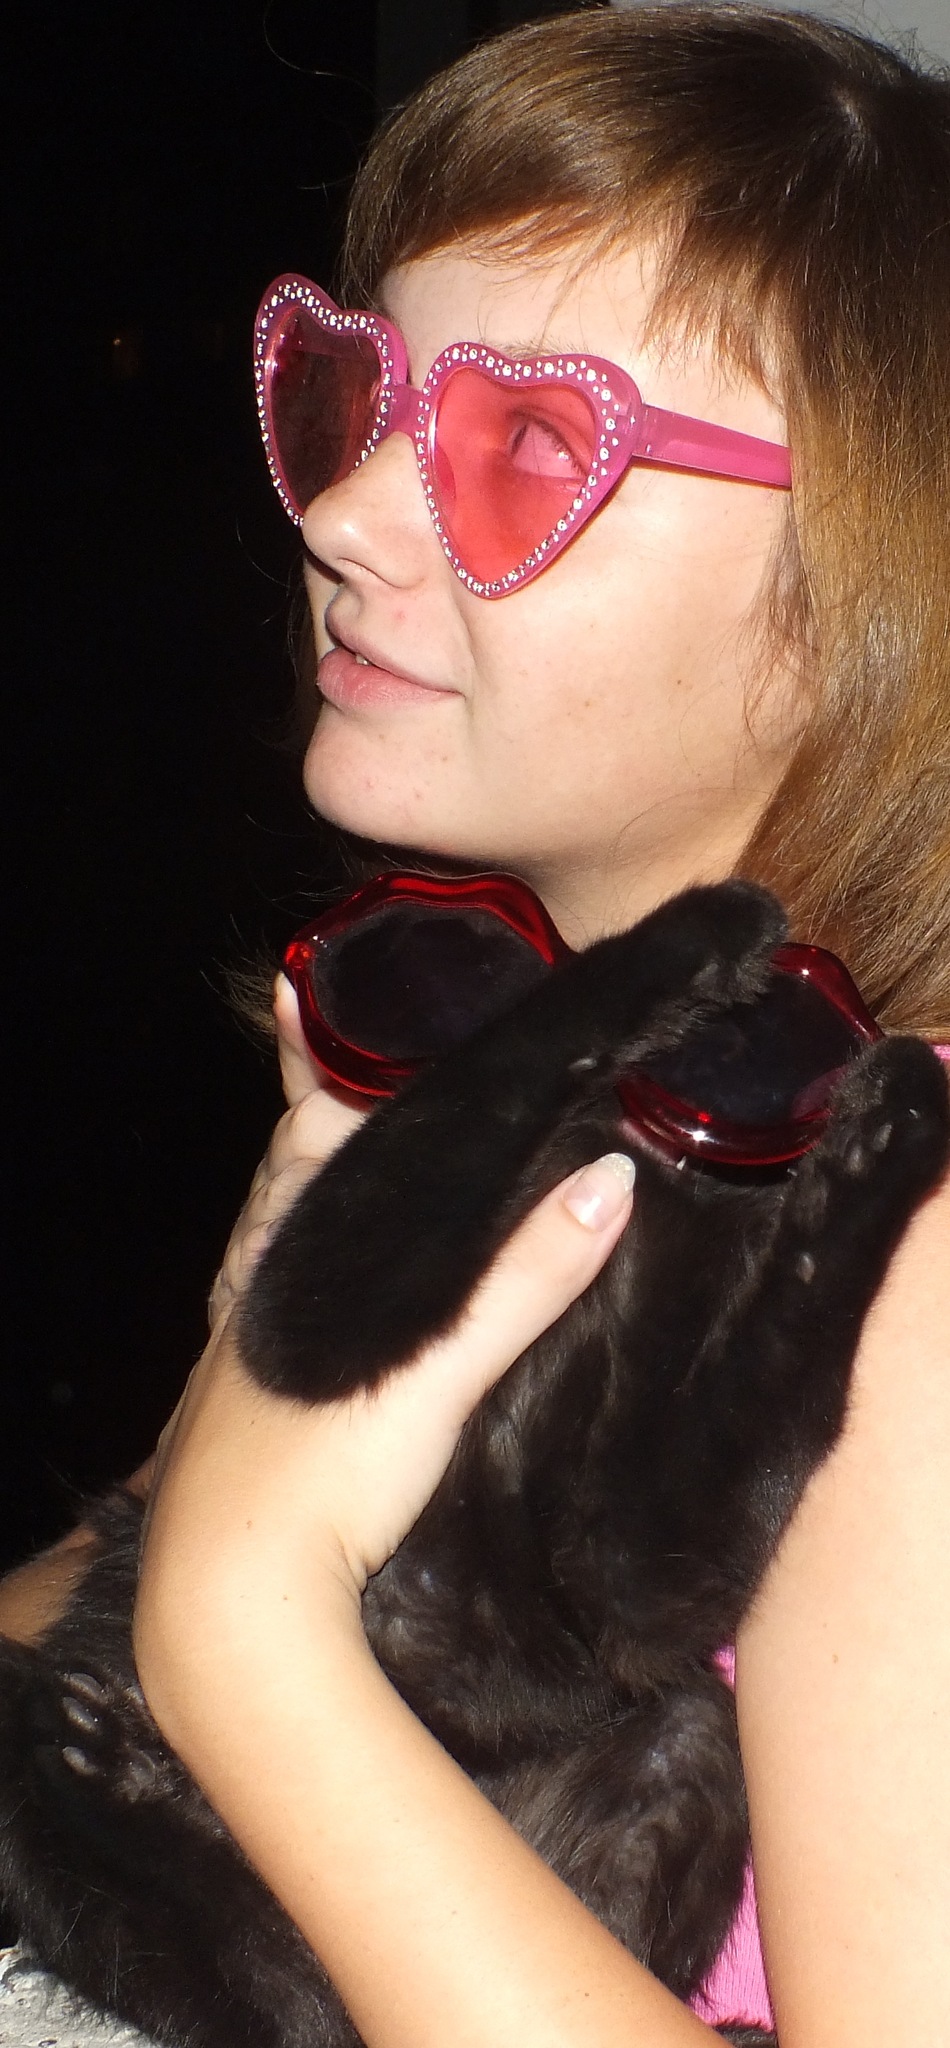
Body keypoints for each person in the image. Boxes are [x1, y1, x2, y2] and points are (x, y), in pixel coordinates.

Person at [5, 6, 950, 2042]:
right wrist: (205, 1518)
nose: (343, 513)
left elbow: (219, 1592)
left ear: (865, 584)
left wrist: (242, 1632)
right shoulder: (519, 1074)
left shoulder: (905, 1240)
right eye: (361, 396)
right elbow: (123, 1577)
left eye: (525, 443)